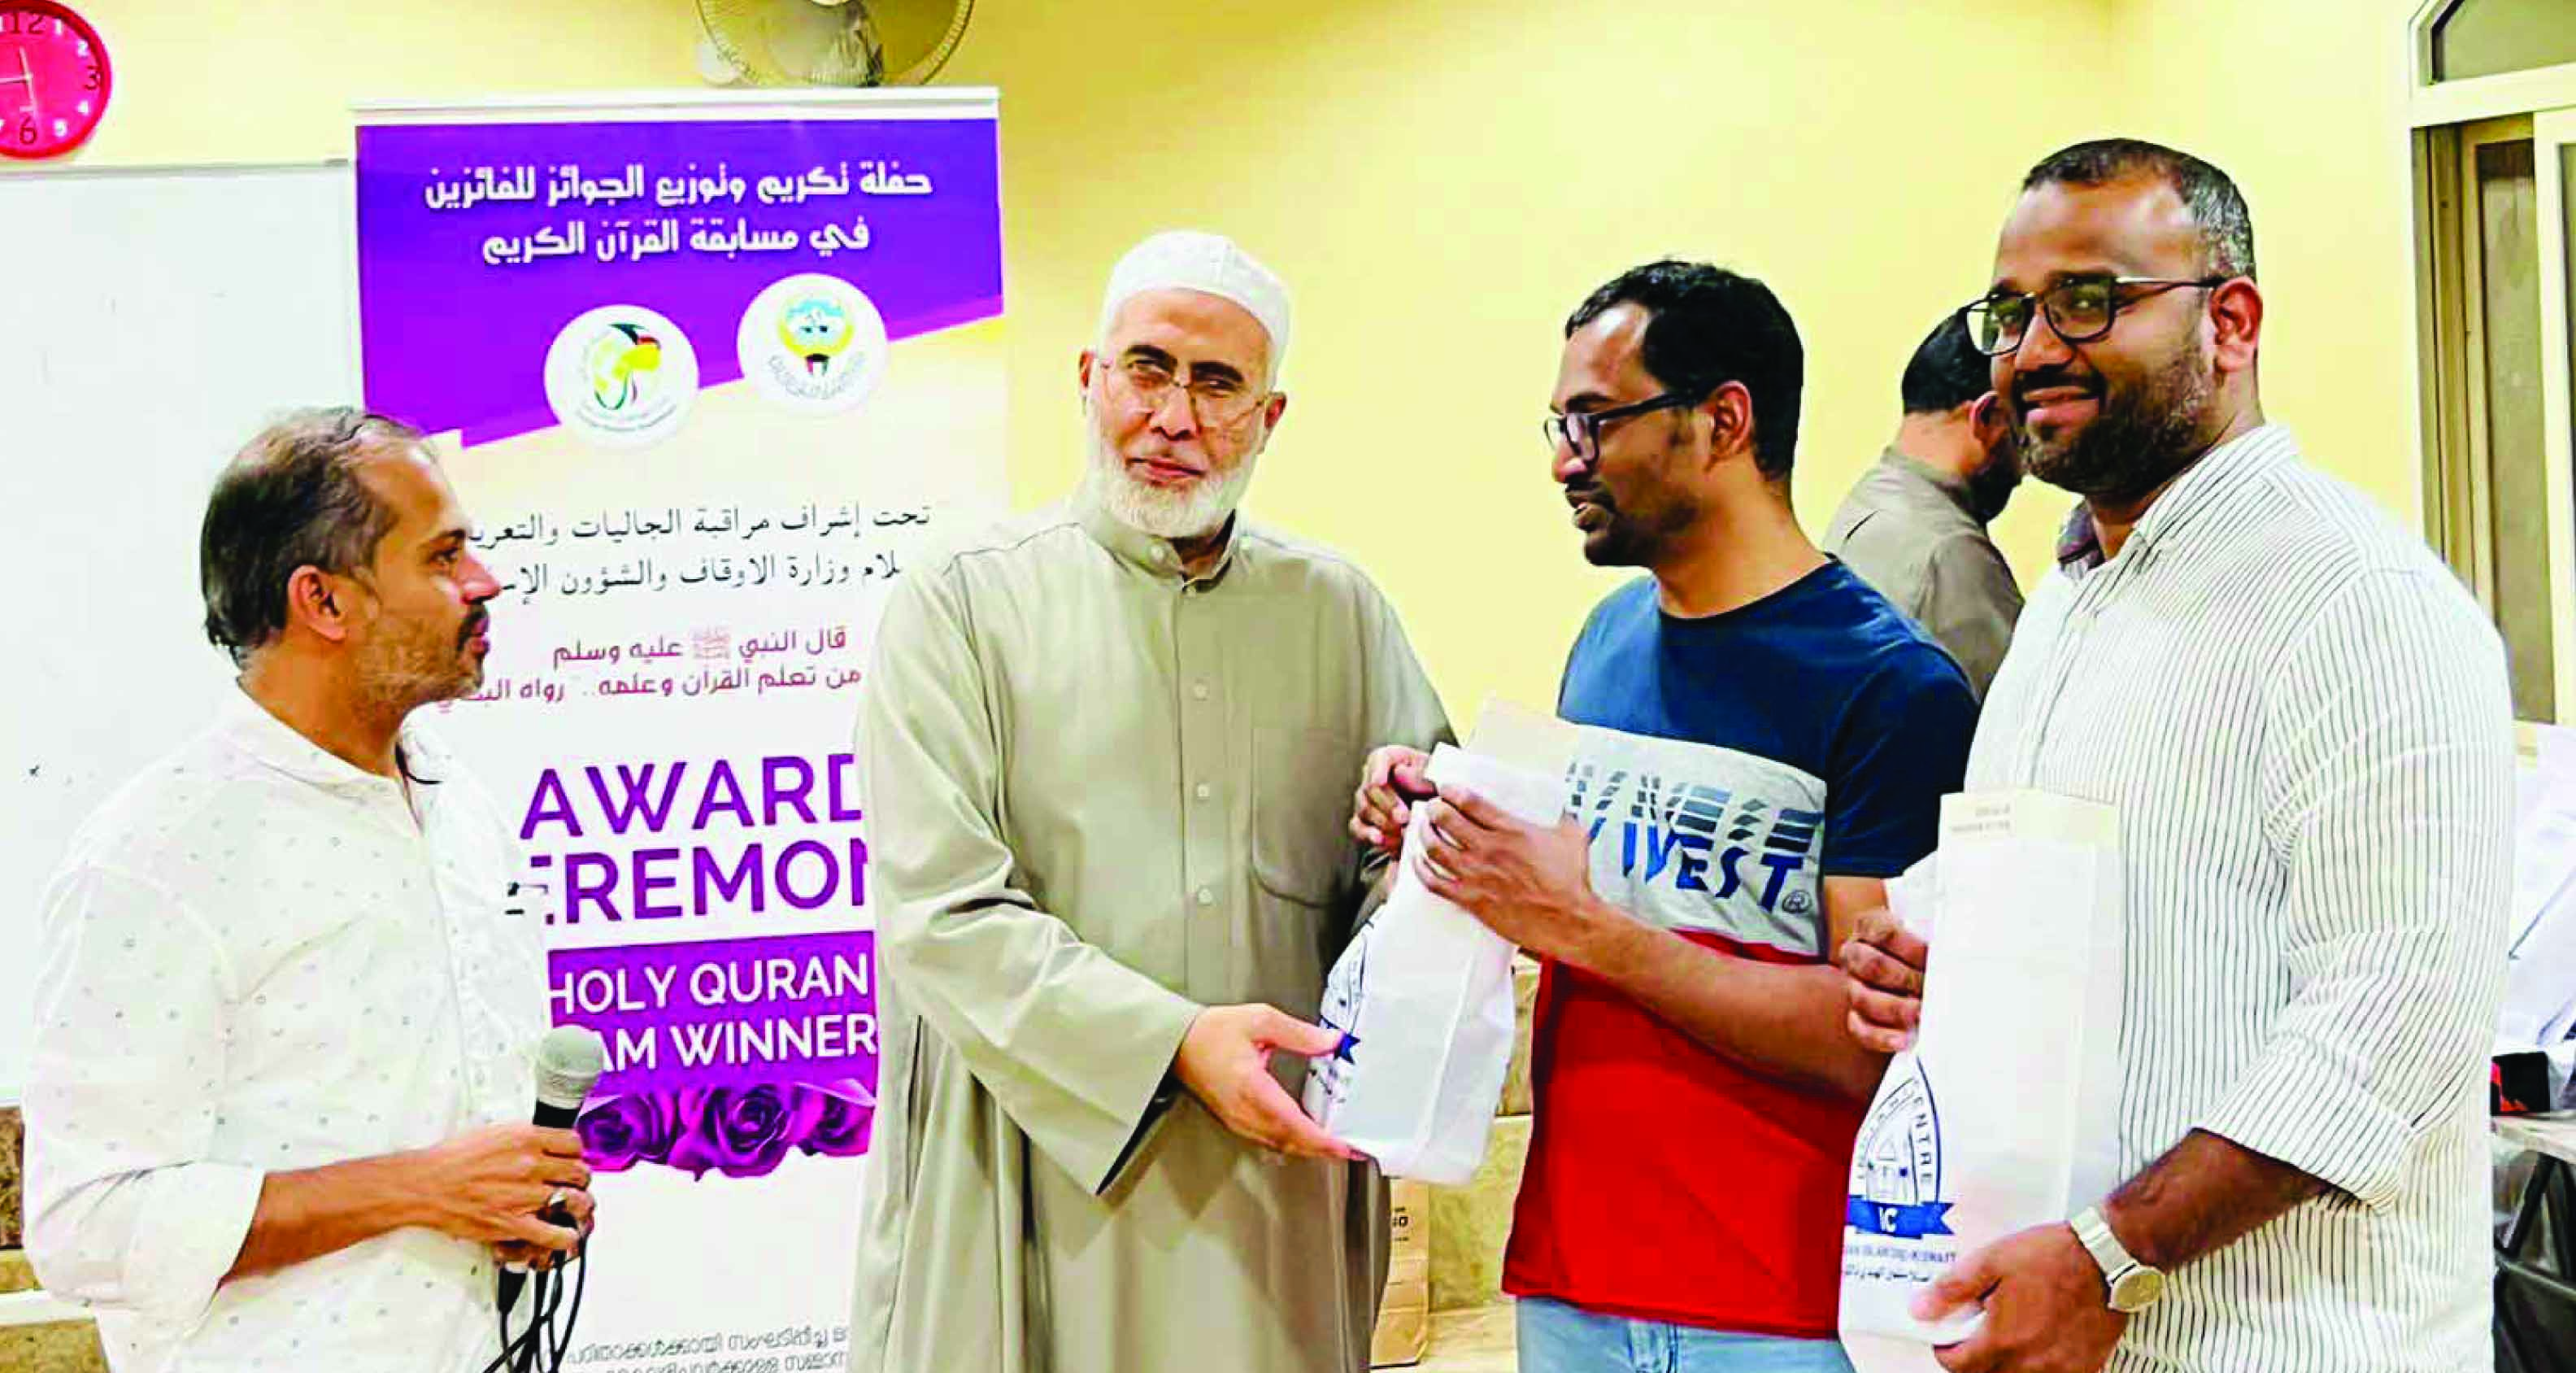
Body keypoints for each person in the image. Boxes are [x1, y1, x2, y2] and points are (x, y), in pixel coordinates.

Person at [1842, 139, 2511, 1373]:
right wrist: (1946, 968)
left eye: (2090, 300)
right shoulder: (2067, 600)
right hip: (2057, 1324)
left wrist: (2114, 1254)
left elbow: (2395, 1018)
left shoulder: (2358, 600)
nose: (2034, 350)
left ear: (2231, 322)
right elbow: (2129, 941)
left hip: (2284, 1345)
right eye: (2011, 313)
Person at [1355, 260, 1978, 1372]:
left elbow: (1869, 1045)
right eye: (1559, 424)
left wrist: (1583, 927)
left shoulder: (1893, 688)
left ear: (1723, 422)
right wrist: (1441, 832)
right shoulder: (1604, 641)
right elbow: (1572, 894)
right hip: (1570, 1283)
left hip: (1780, 1312)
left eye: (1596, 421)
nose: (1565, 459)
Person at [849, 230, 1450, 1373]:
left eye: (1218, 384)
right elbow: (939, 914)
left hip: (1269, 1193)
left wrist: (1411, 843)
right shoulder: (961, 602)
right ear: (1090, 380)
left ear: (1269, 419)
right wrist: (1172, 1042)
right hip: (1026, 1177)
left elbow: (1420, 889)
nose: (1175, 417)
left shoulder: (1340, 610)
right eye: (1148, 369)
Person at [24, 408, 589, 1373]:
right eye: (444, 555)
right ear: (323, 599)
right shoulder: (158, 854)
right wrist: (420, 1188)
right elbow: (86, 1224)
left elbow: (455, 1128)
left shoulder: (459, 805)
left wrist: (517, 1198)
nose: (485, 581)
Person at [1821, 312, 2025, 696]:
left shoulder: (1864, 504)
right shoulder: (1951, 554)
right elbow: (2027, 715)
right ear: (1989, 417)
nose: (2023, 472)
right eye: (2023, 436)